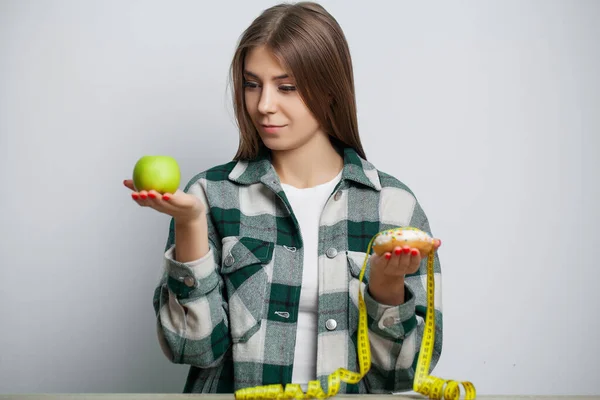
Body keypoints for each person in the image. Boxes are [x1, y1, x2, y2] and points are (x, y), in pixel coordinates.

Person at [124, 1, 443, 395]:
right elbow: (193, 349)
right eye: (252, 83)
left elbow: (402, 377)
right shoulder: (209, 196)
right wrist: (190, 225)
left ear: (330, 91)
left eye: (286, 87)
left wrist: (387, 289)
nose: (264, 105)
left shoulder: (393, 207)